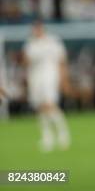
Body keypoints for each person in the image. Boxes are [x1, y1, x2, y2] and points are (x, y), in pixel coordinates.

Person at [23, 20, 72, 152]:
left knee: (49, 104)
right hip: (35, 77)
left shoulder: (53, 41)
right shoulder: (30, 44)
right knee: (40, 107)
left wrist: (64, 79)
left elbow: (61, 61)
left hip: (50, 75)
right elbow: (26, 62)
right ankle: (47, 137)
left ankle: (63, 133)